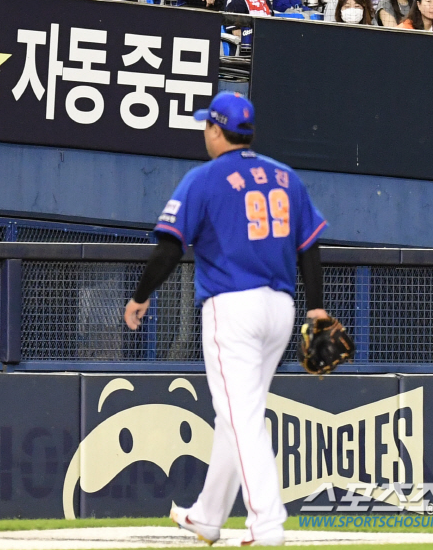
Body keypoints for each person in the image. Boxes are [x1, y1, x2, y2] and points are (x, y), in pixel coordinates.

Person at [125, 91, 329, 547]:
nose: (205, 132)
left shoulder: (205, 179)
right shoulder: (285, 176)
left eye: (207, 126)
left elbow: (170, 247)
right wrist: (316, 308)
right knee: (236, 414)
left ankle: (267, 525)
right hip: (281, 307)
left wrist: (140, 296)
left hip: (233, 307)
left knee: (242, 418)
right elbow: (309, 245)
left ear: (217, 131)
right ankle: (208, 516)